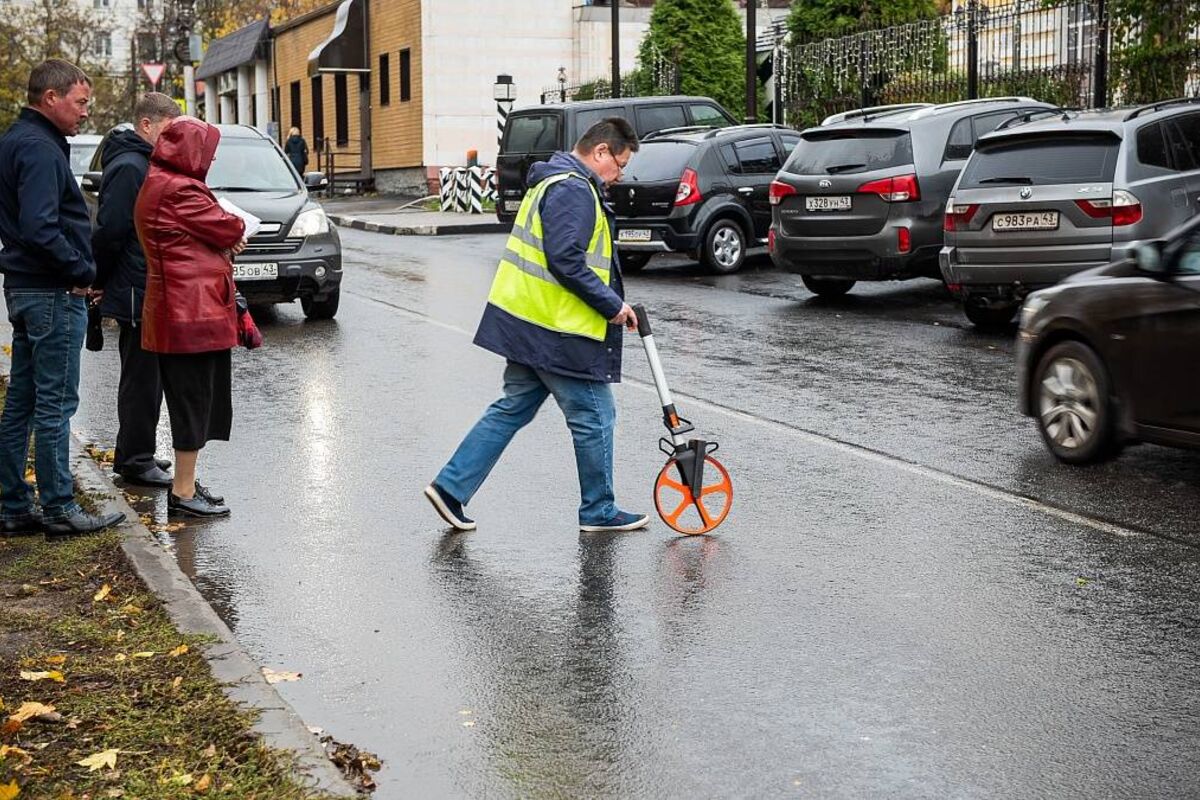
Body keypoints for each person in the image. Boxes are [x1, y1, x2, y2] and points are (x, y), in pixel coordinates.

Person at [424, 117, 649, 534]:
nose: (619, 176)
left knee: (511, 408)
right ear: (600, 152)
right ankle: (599, 511)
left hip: (530, 324)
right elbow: (566, 260)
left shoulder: (553, 181)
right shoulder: (573, 190)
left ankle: (451, 486)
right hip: (558, 330)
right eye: (619, 164)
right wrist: (612, 305)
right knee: (596, 414)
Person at [0, 59, 126, 536]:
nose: (85, 113)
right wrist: (82, 270)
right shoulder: (39, 149)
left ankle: (14, 505)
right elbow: (39, 226)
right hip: (52, 291)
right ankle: (58, 508)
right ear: (50, 98)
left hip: (27, 287)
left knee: (24, 401)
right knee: (54, 404)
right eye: (80, 102)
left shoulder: (17, 140)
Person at [135, 116, 246, 517]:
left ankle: (185, 483)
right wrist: (231, 236)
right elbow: (230, 227)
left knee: (194, 400)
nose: (210, 160)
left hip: (184, 313)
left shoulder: (162, 182)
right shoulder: (179, 189)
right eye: (207, 151)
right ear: (189, 151)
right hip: (189, 316)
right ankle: (182, 493)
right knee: (191, 403)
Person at [91, 92, 180, 488]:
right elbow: (111, 230)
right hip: (134, 285)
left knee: (148, 375)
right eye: (168, 129)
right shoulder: (130, 165)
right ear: (147, 124)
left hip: (141, 282)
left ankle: (136, 452)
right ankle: (134, 460)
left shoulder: (140, 160)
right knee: (140, 377)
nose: (173, 137)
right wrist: (99, 279)